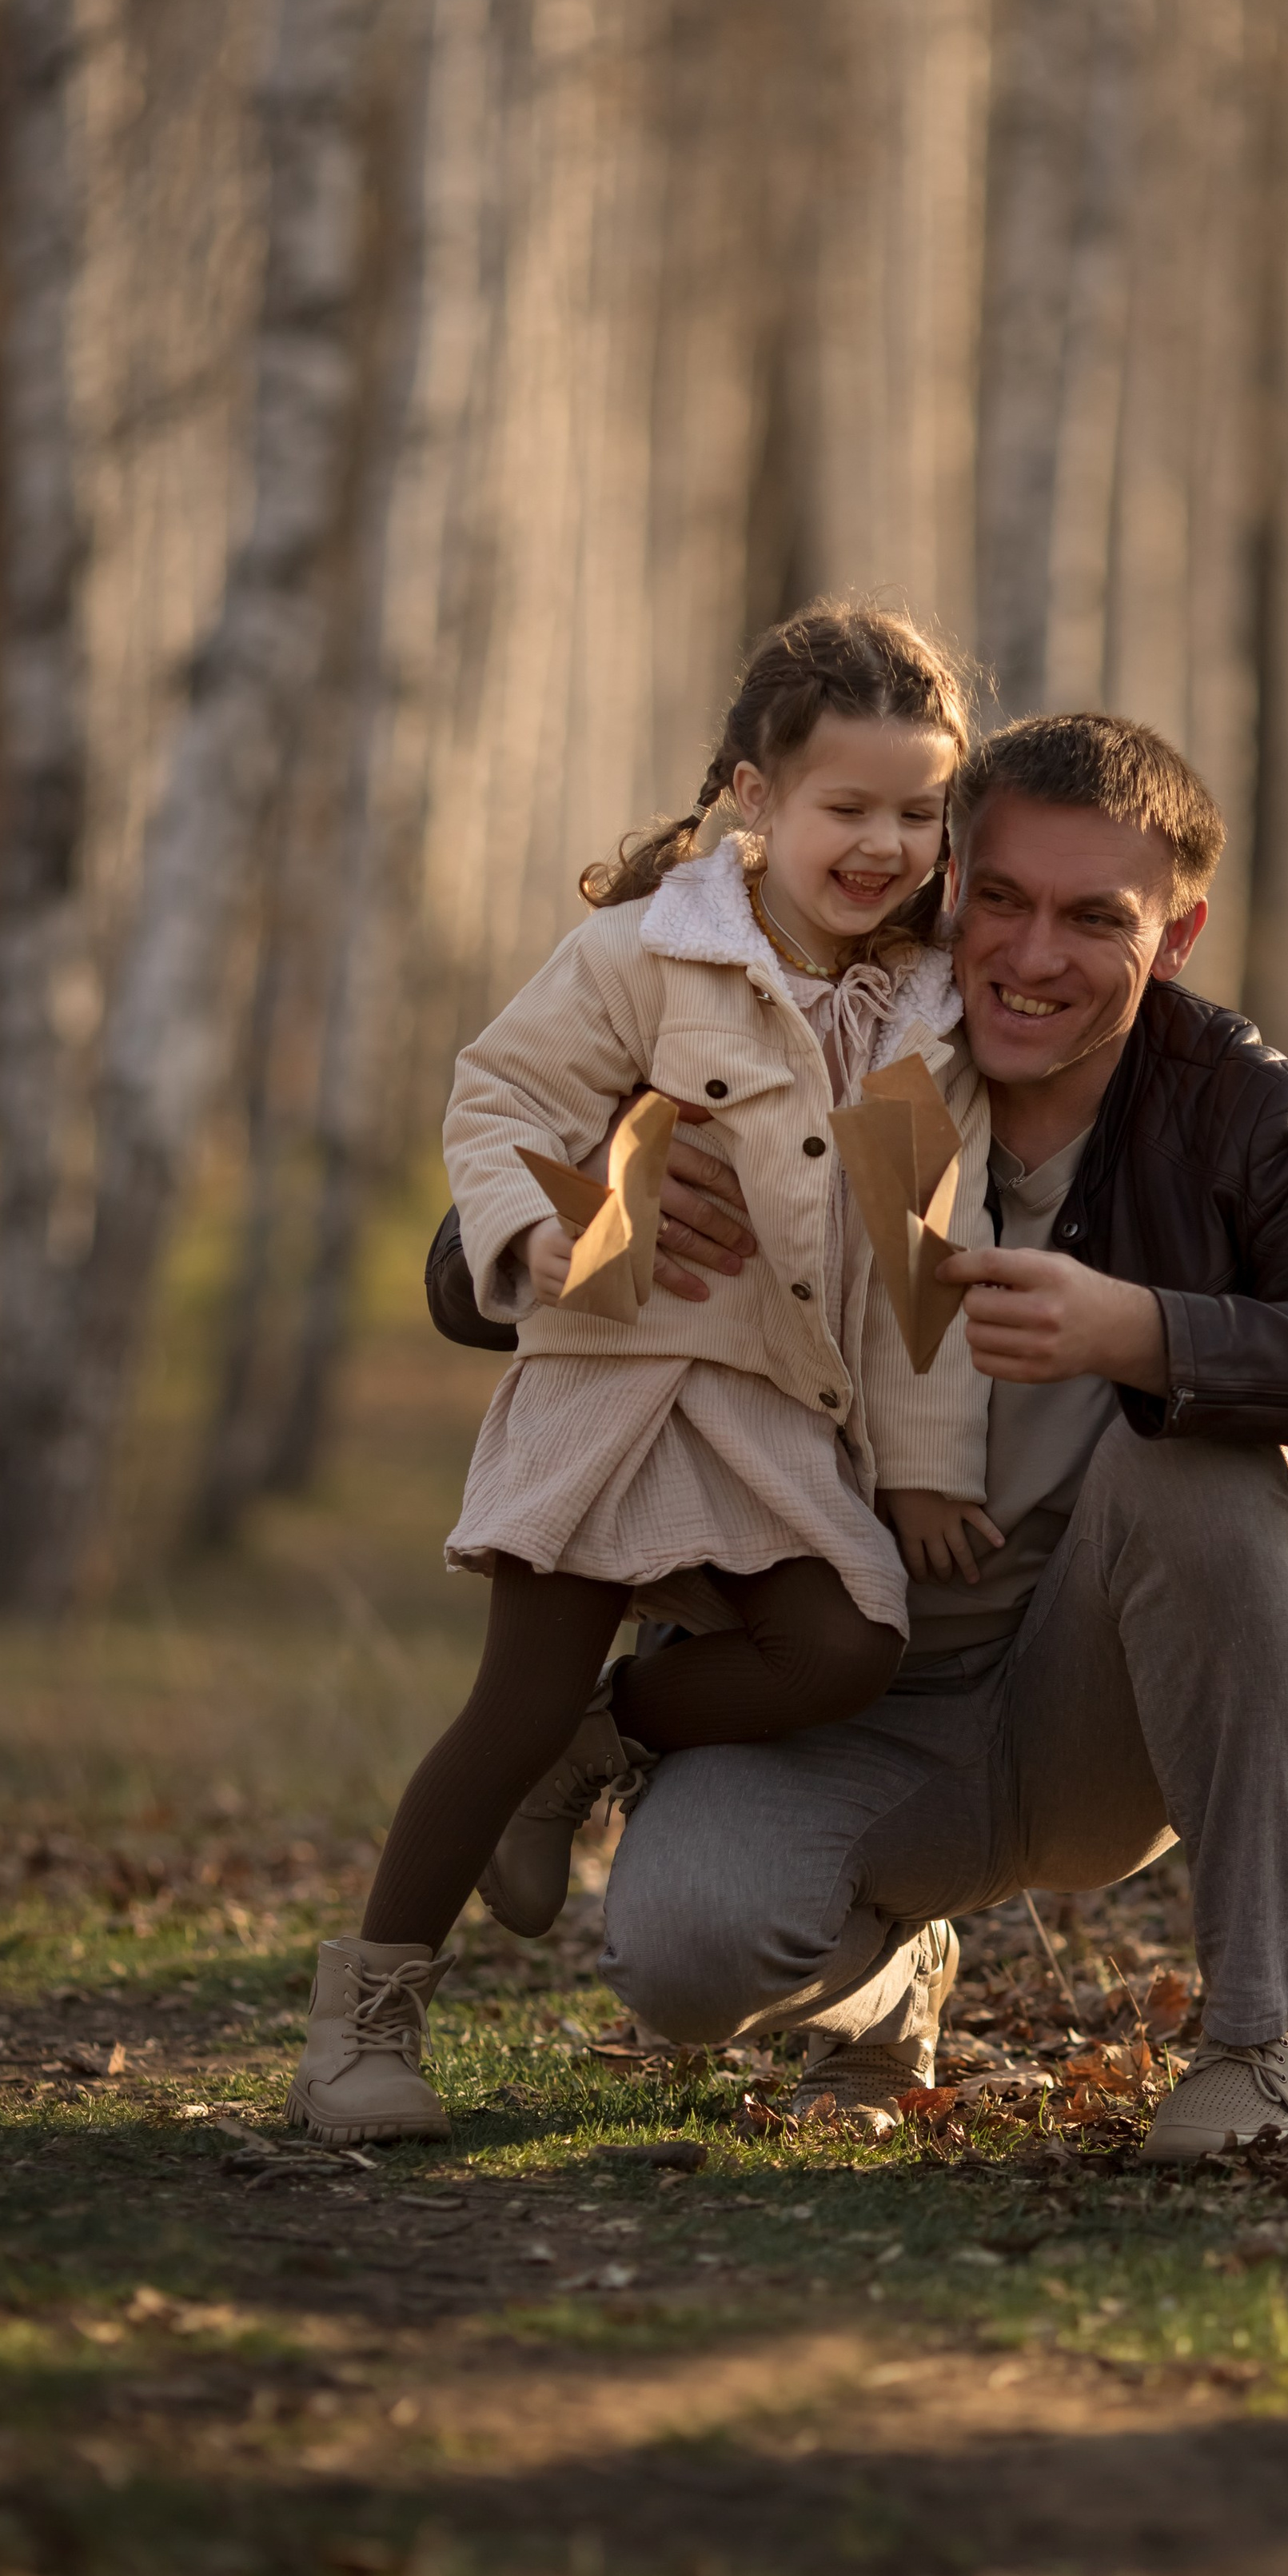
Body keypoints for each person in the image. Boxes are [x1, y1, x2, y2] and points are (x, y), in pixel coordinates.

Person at [587, 710, 1288, 2149]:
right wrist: (600, 1208)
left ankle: (1262, 2044)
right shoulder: (799, 1029)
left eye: (1095, 918)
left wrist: (1145, 1331)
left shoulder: (1245, 1112)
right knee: (680, 1956)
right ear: (946, 887)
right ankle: (890, 1994)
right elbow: (468, 1269)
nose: (1031, 954)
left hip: (1095, 1717)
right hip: (830, 1700)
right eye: (997, 898)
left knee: (1195, 1450)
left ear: (1176, 938)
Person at [288, 605, 999, 2146]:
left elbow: (922, 1262)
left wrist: (933, 1463)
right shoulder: (648, 954)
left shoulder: (919, 1020)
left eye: (919, 812)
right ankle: (366, 2028)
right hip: (614, 1387)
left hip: (764, 1416)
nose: (883, 844)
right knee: (503, 1703)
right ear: (753, 796)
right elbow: (498, 1101)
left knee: (846, 1643)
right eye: (847, 808)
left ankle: (601, 1745)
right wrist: (550, 1225)